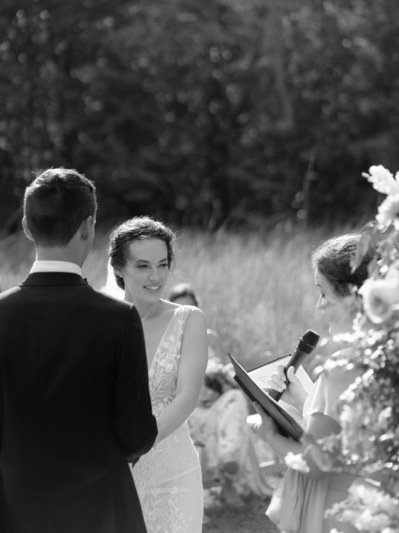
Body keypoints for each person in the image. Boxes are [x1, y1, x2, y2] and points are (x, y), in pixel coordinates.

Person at [0, 168, 157, 533]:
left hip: (13, 508)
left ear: (26, 226)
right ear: (88, 227)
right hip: (100, 511)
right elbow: (137, 434)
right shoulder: (118, 319)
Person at [253, 233, 372, 533]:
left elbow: (316, 464)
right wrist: (303, 397)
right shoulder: (385, 359)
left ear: (352, 296)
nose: (319, 306)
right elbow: (344, 431)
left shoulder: (343, 367)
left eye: (323, 292)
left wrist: (269, 435)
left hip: (339, 513)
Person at [108, 217, 208, 533]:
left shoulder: (188, 319)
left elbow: (188, 396)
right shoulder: (101, 322)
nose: (156, 277)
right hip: (114, 472)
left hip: (174, 474)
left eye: (162, 265)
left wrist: (140, 445)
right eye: (142, 266)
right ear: (119, 268)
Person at [168, 283, 273, 506]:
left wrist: (224, 377)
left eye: (191, 309)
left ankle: (228, 463)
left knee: (235, 400)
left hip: (215, 406)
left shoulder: (209, 337)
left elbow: (218, 369)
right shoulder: (168, 343)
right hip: (189, 411)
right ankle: (229, 479)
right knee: (221, 416)